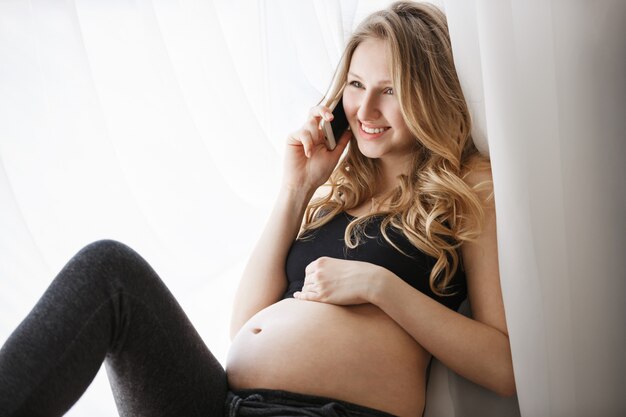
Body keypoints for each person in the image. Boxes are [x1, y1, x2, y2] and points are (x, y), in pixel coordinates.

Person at [0, 2, 515, 416]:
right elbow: (245, 324)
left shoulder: (467, 186)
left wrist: (379, 287)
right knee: (107, 271)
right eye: (356, 86)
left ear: (428, 95)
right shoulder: (334, 192)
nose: (364, 110)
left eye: (390, 91)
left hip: (325, 410)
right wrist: (296, 189)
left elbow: (504, 366)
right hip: (222, 400)